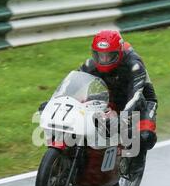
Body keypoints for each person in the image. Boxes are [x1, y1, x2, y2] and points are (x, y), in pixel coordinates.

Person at [40, 30, 158, 175]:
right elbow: (71, 86)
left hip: (140, 100)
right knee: (85, 109)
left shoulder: (134, 65)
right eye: (100, 55)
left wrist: (122, 118)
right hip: (111, 96)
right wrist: (53, 103)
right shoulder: (91, 64)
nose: (104, 60)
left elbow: (135, 96)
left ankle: (135, 162)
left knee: (145, 136)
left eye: (109, 56)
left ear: (119, 53)